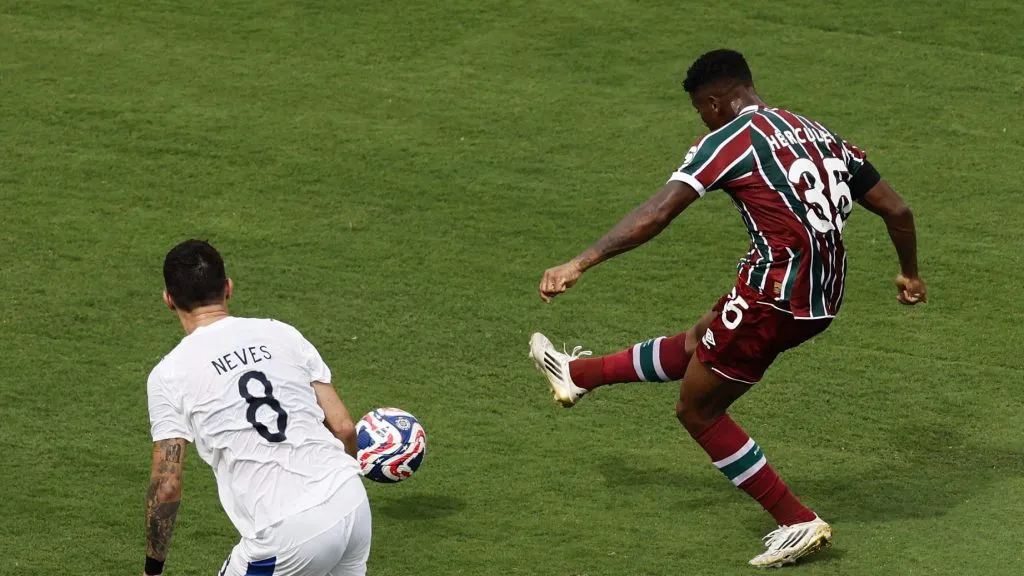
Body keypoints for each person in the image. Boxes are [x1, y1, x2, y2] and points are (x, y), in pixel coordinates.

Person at [528, 49, 926, 568]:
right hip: (822, 295)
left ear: (715, 102)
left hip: (775, 297)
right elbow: (897, 209)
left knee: (699, 409)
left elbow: (656, 213)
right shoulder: (815, 132)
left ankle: (795, 520)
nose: (702, 119)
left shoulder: (729, 140)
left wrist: (581, 262)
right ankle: (578, 375)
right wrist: (910, 274)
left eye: (700, 110)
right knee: (703, 338)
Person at [142, 239, 371, 576]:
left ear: (168, 300)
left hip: (286, 531)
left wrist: (152, 569)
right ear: (228, 288)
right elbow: (344, 428)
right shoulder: (283, 334)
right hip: (351, 501)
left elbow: (167, 485)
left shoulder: (169, 374)